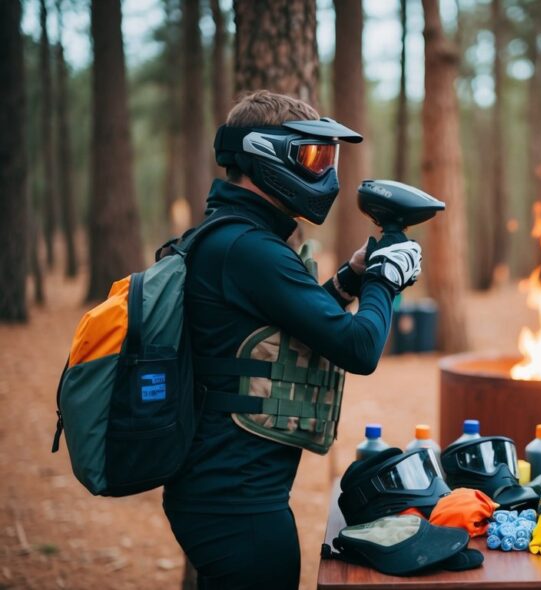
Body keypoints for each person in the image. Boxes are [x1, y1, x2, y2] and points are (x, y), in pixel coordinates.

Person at [162, 90, 422, 589]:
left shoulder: (232, 238)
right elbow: (358, 347)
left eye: (328, 157)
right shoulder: (250, 248)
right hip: (237, 502)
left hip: (223, 491)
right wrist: (384, 282)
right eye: (310, 155)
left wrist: (350, 278)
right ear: (264, 153)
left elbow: (281, 334)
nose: (323, 171)